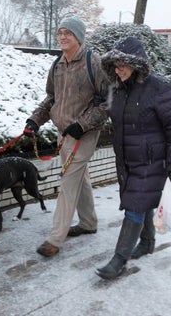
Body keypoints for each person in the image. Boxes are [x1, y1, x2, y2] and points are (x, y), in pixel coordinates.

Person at [95, 36, 171, 280]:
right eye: (114, 64)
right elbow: (109, 116)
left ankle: (119, 259)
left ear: (137, 64)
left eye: (122, 63)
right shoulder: (118, 90)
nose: (118, 69)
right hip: (126, 160)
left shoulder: (159, 89)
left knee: (134, 206)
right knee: (141, 202)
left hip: (151, 161)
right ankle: (147, 242)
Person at [24, 16, 109, 257]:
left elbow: (108, 102)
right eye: (60, 32)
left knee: (69, 181)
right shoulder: (58, 65)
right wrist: (35, 120)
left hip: (85, 134)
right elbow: (52, 99)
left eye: (68, 33)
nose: (62, 36)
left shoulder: (94, 62)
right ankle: (88, 223)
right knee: (79, 179)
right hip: (64, 133)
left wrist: (82, 125)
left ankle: (55, 238)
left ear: (79, 37)